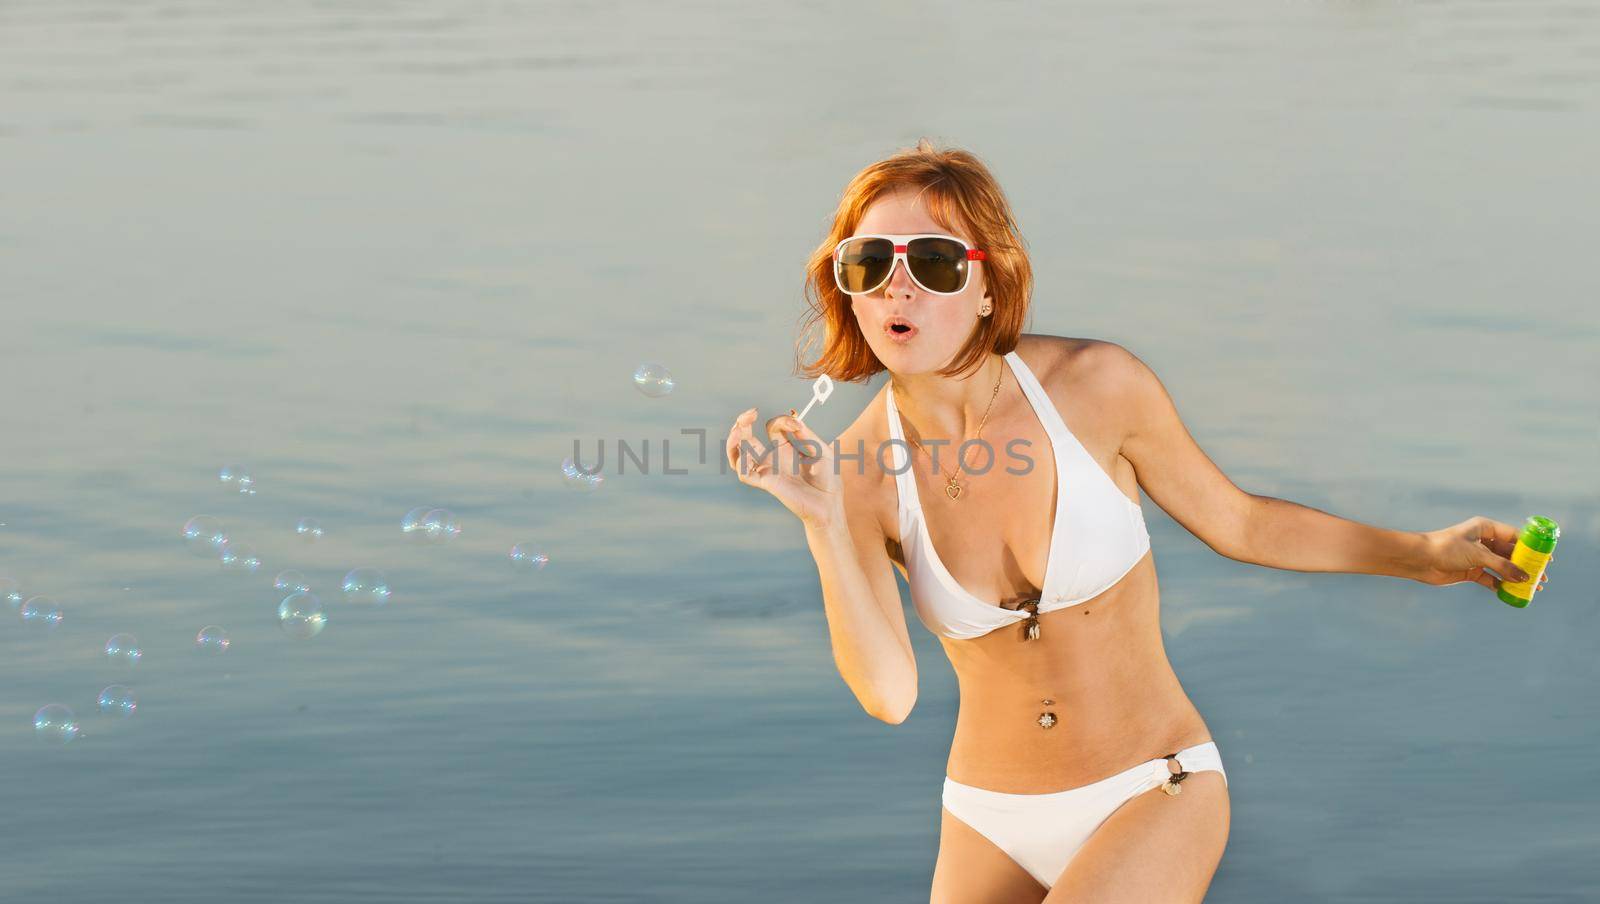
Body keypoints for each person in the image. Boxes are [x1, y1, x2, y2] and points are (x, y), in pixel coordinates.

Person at [724, 138, 1550, 903]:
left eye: (933, 261)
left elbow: (1243, 524)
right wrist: (824, 522)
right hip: (986, 817)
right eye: (869, 262)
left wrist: (1420, 554)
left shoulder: (1097, 387)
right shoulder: (859, 477)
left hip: (1155, 785)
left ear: (987, 286)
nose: (896, 286)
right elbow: (892, 696)